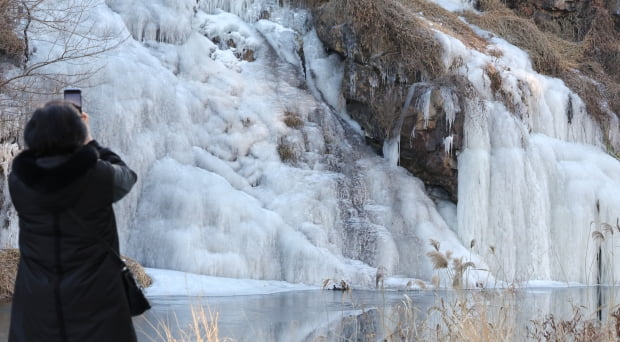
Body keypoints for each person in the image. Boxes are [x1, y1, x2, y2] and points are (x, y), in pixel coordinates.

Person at [7, 101, 138, 342]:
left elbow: (33, 160)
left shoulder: (18, 182)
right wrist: (90, 142)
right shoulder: (98, 176)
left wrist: (47, 126)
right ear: (77, 134)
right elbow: (127, 175)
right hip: (97, 305)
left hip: (36, 306)